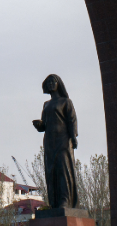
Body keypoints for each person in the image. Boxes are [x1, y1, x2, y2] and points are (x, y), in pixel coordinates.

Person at [32, 74, 79, 209]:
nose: (51, 83)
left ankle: (65, 200)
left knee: (63, 169)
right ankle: (55, 202)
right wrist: (39, 125)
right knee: (51, 171)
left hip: (63, 140)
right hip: (49, 142)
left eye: (54, 81)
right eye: (49, 82)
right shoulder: (46, 104)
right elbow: (44, 126)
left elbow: (72, 120)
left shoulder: (66, 102)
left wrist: (73, 137)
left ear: (59, 84)